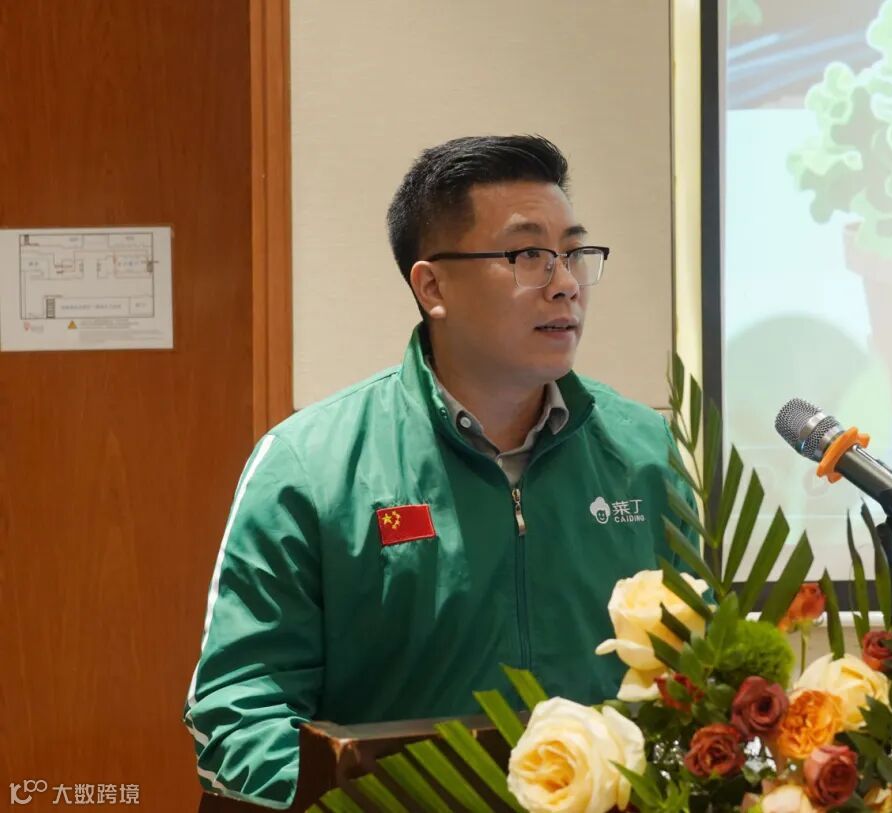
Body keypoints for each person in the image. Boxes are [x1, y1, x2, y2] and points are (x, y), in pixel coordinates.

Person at [183, 134, 692, 808]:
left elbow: (698, 675)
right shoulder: (310, 466)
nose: (565, 283)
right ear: (432, 286)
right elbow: (238, 712)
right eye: (528, 255)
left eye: (572, 253)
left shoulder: (644, 449)